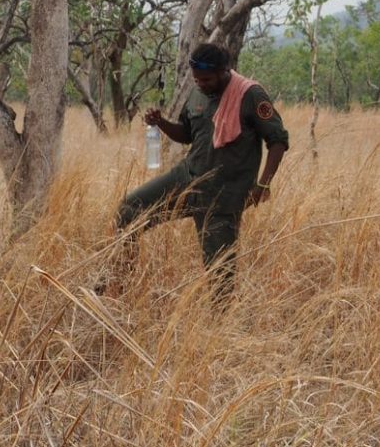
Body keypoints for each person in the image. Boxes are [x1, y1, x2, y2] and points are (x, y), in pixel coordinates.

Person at [113, 42, 289, 296]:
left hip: (223, 196)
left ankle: (220, 327)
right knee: (129, 210)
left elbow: (278, 141)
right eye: (197, 79)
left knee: (219, 275)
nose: (201, 84)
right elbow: (186, 135)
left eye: (206, 79)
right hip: (187, 177)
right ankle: (119, 284)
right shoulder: (196, 93)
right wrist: (161, 122)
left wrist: (263, 184)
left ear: (223, 71)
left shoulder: (251, 95)